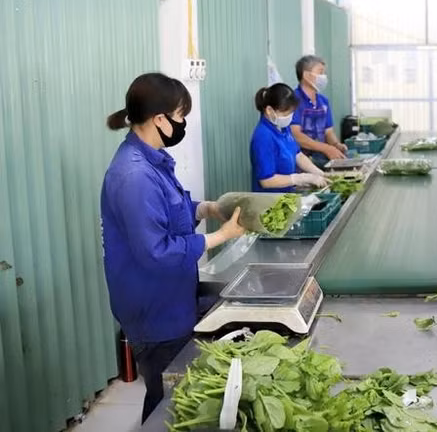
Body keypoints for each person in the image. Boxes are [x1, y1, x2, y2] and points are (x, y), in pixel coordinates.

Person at [101, 73, 246, 423]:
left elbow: (170, 213)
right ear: (160, 119)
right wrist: (220, 236)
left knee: (169, 391)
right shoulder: (134, 176)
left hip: (170, 297)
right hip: (154, 308)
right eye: (181, 115)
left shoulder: (152, 159)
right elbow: (156, 251)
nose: (183, 124)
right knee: (167, 394)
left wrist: (207, 209)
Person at [251, 83, 329, 192]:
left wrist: (318, 173)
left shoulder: (283, 127)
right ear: (269, 110)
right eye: (285, 114)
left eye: (291, 113)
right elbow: (266, 181)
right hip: (270, 202)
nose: (289, 118)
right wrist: (299, 178)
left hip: (287, 196)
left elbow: (298, 155)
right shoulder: (263, 136)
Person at [290, 55, 347, 163]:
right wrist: (326, 148)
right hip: (299, 162)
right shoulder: (293, 100)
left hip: (320, 160)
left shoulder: (323, 102)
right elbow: (296, 135)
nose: (324, 77)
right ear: (306, 75)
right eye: (320, 72)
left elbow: (328, 132)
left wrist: (336, 145)